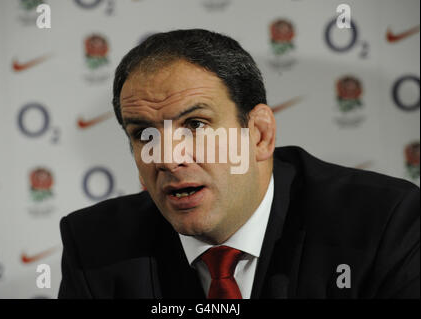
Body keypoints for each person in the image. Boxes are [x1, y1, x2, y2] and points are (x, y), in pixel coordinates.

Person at [58, 29, 420, 299]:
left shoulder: (382, 224)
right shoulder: (95, 246)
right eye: (143, 134)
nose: (167, 157)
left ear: (259, 134)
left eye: (195, 125)